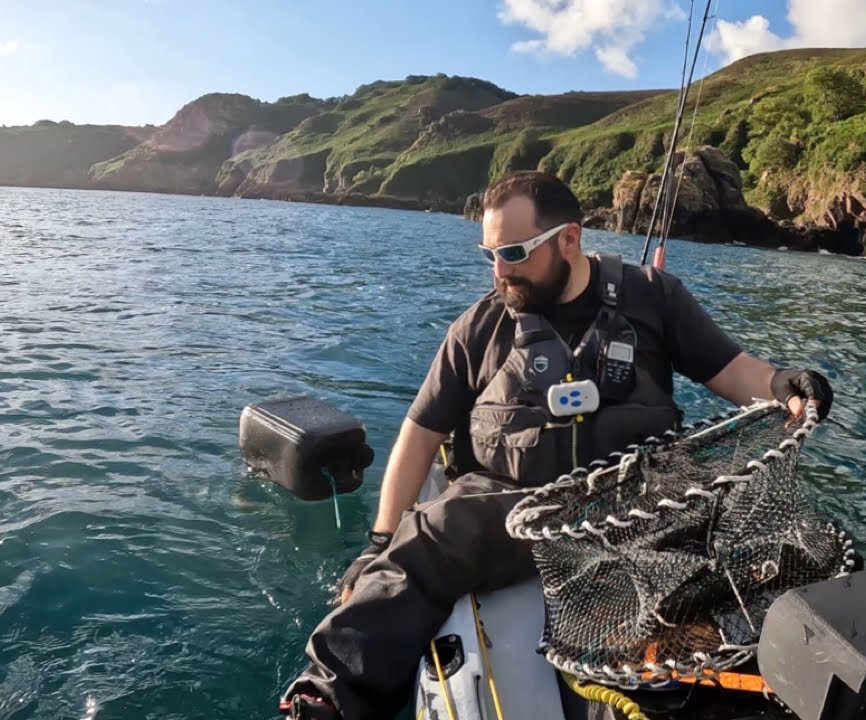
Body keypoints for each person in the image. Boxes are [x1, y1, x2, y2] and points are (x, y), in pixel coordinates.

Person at [280, 171, 833, 719]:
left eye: (514, 252)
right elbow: (420, 433)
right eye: (490, 254)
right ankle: (331, 696)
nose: (500, 270)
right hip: (516, 514)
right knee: (435, 529)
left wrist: (782, 383)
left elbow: (730, 368)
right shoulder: (477, 329)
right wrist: (379, 543)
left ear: (569, 238)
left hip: (639, 507)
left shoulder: (655, 298)